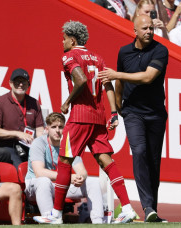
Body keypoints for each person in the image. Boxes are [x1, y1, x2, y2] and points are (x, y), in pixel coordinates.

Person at [34, 21, 136, 224]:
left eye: (64, 38)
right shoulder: (98, 58)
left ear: (72, 40)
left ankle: (56, 213)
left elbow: (80, 80)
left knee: (64, 161)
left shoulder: (69, 56)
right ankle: (127, 208)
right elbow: (108, 84)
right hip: (99, 117)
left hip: (80, 117)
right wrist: (114, 113)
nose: (62, 42)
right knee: (106, 162)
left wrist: (66, 102)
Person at [98, 15, 168, 223]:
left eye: (151, 28)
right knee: (139, 152)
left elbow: (147, 77)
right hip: (132, 112)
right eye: (144, 28)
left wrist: (117, 74)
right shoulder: (124, 52)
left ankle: (151, 210)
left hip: (156, 113)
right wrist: (116, 108)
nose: (149, 31)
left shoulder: (160, 50)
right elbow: (118, 84)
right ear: (134, 31)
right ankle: (147, 208)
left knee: (153, 163)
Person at [27, 112, 104, 224]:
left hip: (59, 186)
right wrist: (68, 178)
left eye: (61, 127)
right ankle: (50, 219)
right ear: (47, 129)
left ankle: (98, 222)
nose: (57, 130)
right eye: (53, 127)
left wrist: (80, 177)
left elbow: (82, 171)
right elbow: (39, 173)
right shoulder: (39, 143)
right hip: (35, 186)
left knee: (93, 182)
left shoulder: (69, 144)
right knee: (44, 181)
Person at [0, 68, 44, 168]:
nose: (21, 84)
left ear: (28, 84)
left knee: (44, 165)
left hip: (30, 146)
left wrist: (40, 141)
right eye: (17, 81)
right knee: (22, 169)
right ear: (10, 83)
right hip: (8, 147)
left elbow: (40, 130)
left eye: (23, 82)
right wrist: (17, 134)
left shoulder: (34, 103)